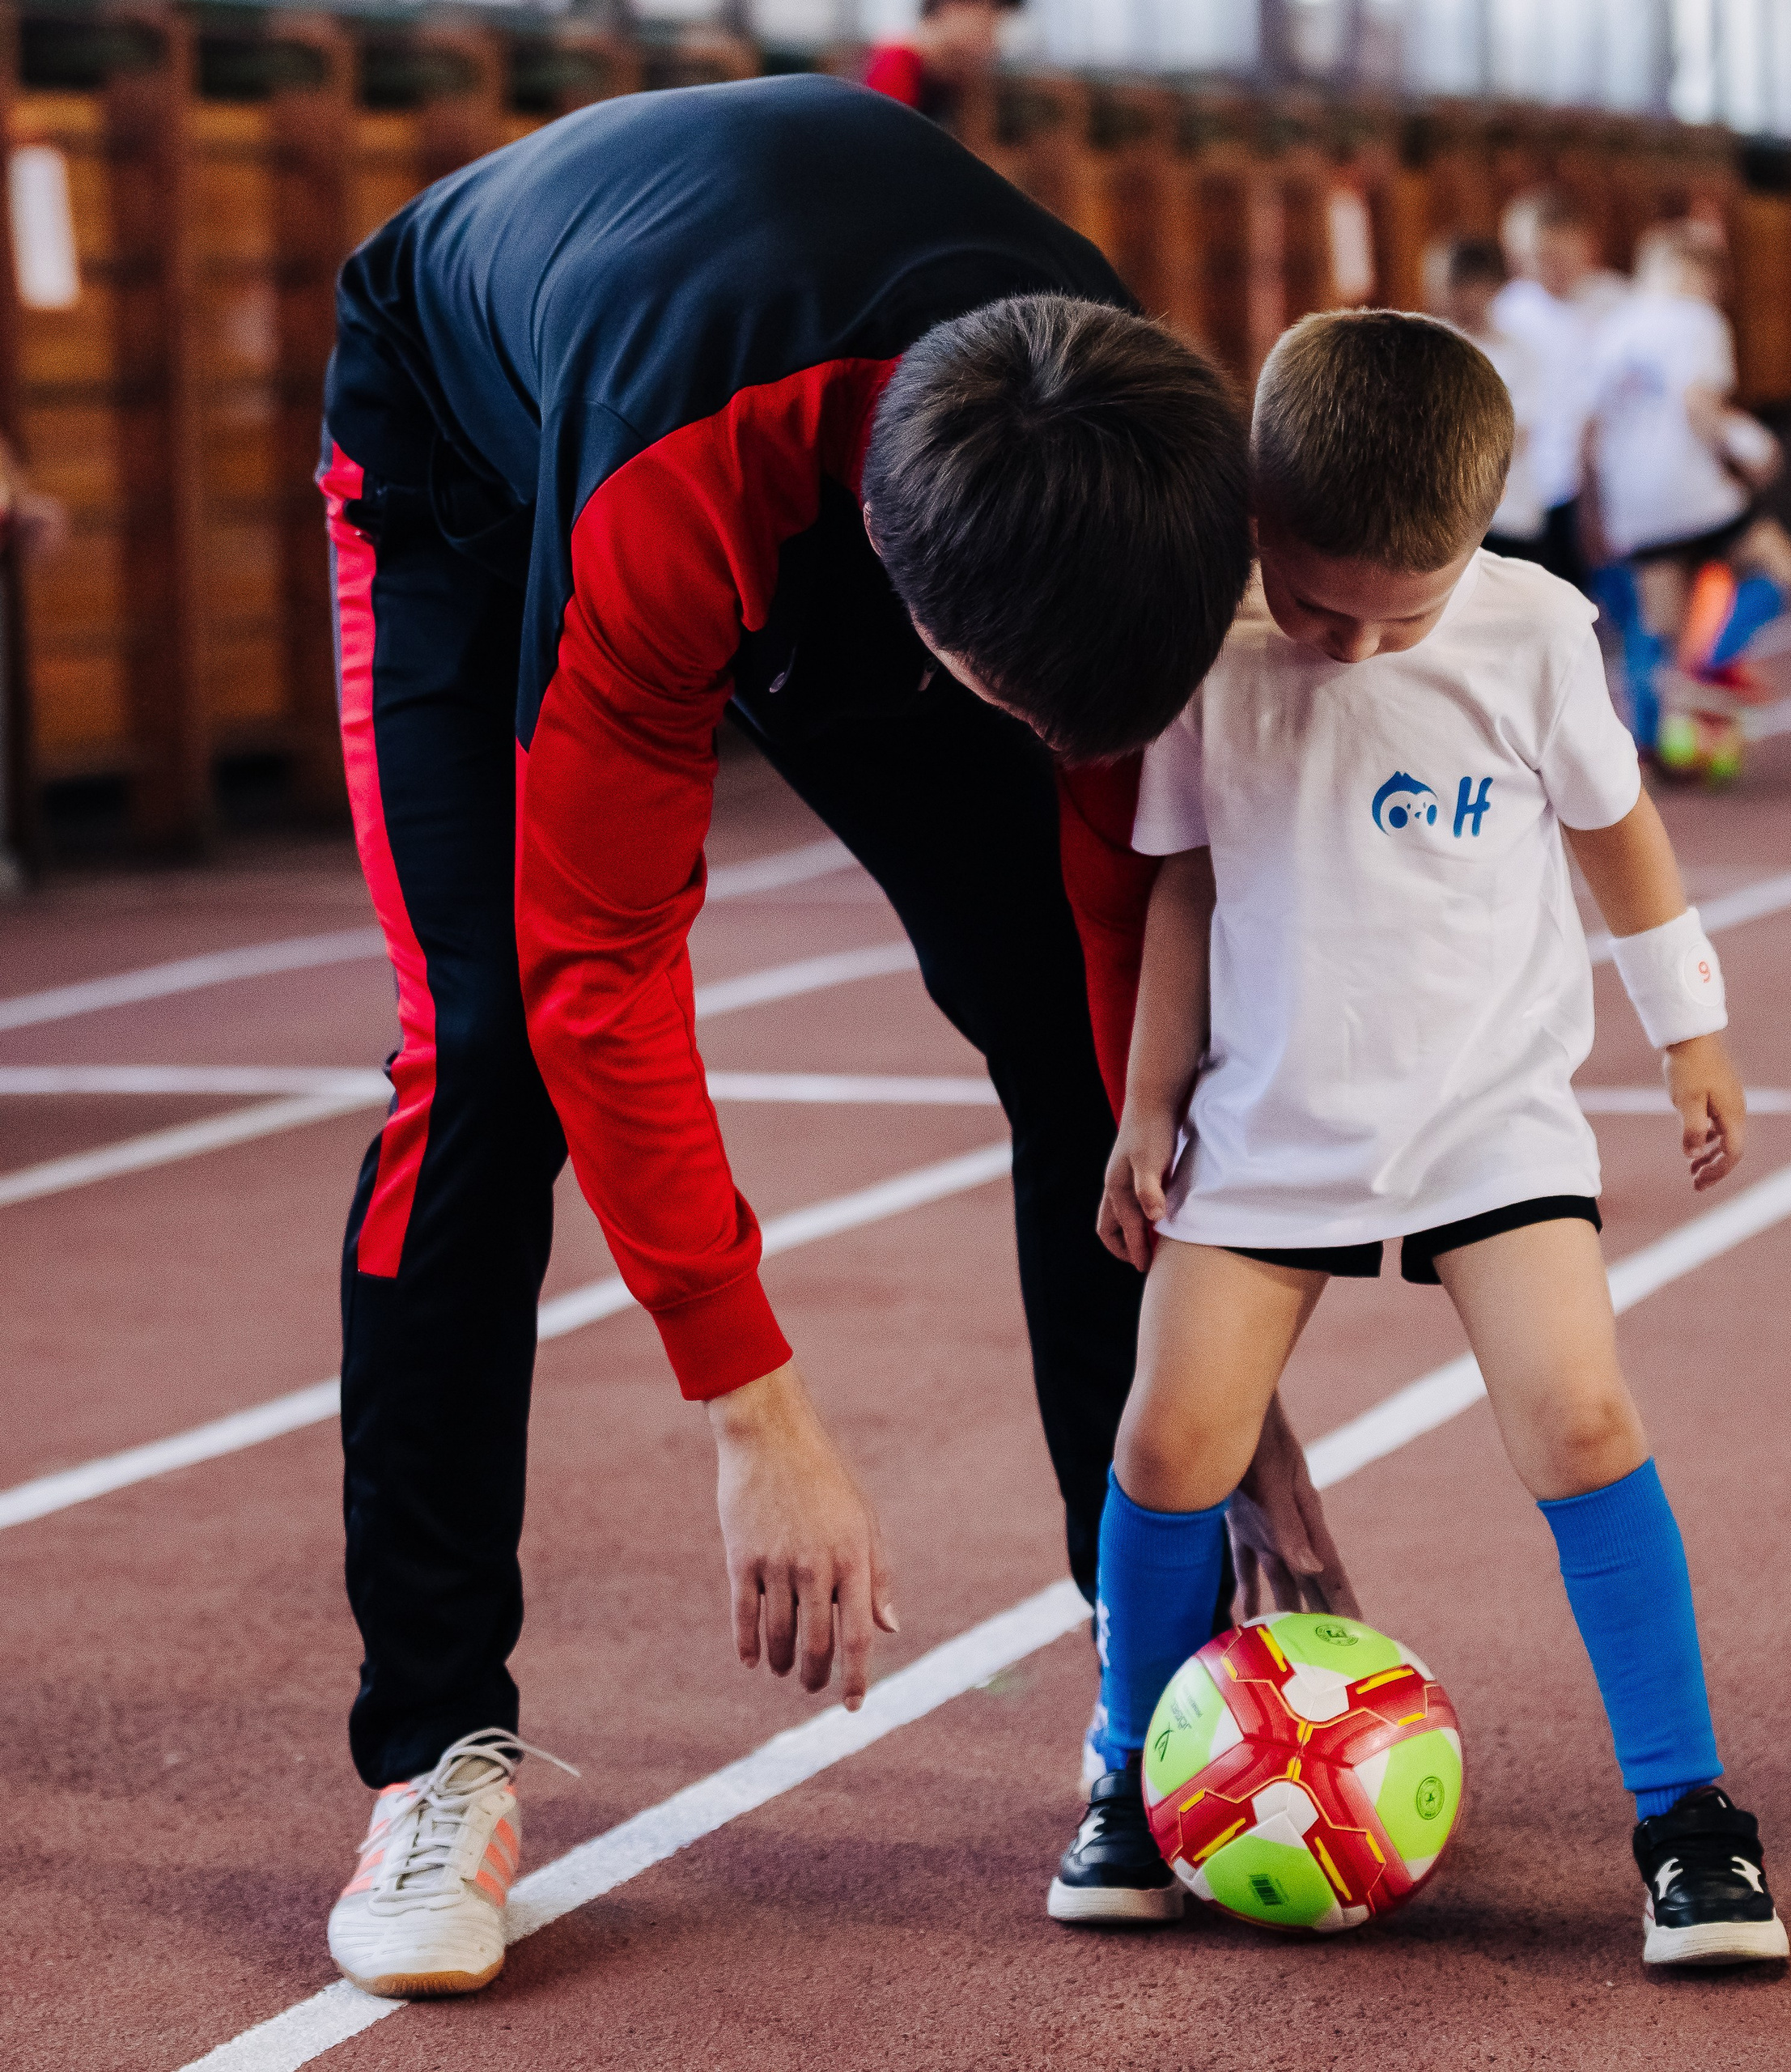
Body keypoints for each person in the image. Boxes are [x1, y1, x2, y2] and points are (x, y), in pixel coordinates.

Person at [316, 74, 1354, 2001]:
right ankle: (428, 1744)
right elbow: (598, 964)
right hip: (476, 453)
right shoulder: (666, 499)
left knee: (1064, 1020)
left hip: (869, 422)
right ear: (927, 636)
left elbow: (1130, 963)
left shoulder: (1124, 442)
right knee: (477, 1070)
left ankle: (1152, 1651)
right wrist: (751, 1397)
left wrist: (1218, 1379)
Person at [1046, 309, 1789, 1972]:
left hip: (1487, 1123)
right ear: (1252, 516)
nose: (1358, 644)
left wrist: (1692, 1028)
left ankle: (1687, 1817)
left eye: (1406, 610)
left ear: (1483, 539)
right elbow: (1178, 887)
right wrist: (1145, 1103)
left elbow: (1619, 839)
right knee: (1169, 1443)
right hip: (1262, 1126)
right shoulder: (1207, 644)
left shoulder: (1533, 633)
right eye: (1319, 603)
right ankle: (1121, 1775)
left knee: (1583, 1419)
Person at [1588, 221, 1791, 775]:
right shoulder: (1695, 320)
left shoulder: (1612, 329)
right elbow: (1697, 401)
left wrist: (1595, 506)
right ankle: (1711, 664)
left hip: (1632, 499)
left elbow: (1590, 429)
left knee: (1657, 623)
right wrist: (1749, 449)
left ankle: (1653, 740)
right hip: (1690, 488)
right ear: (1695, 273)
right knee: (1782, 569)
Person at [1492, 189, 1626, 595]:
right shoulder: (1508, 313)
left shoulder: (1615, 301)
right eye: (1541, 257)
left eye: (1563, 255)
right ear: (1517, 256)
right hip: (1541, 481)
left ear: (1587, 247)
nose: (1554, 268)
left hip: (1609, 473)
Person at [1424, 234, 1548, 569]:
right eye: (1447, 287)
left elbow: (1517, 435)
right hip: (1439, 517)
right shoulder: (1423, 348)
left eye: (1465, 287)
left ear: (1492, 287)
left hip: (1508, 513)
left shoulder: (1518, 353)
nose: (1456, 298)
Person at [863, 0, 1021, 123]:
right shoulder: (895, 64)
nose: (995, 38)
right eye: (992, 18)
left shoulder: (954, 73)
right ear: (954, 7)